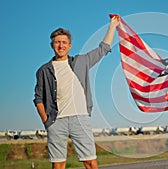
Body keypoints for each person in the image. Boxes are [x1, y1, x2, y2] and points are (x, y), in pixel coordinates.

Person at [33, 16, 120, 169]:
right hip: (56, 121)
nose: (61, 45)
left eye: (64, 42)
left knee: (90, 162)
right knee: (58, 165)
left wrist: (113, 25)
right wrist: (46, 121)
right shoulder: (43, 70)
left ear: (70, 45)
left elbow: (103, 49)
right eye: (57, 42)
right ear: (52, 45)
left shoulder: (81, 62)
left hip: (80, 119)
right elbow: (38, 98)